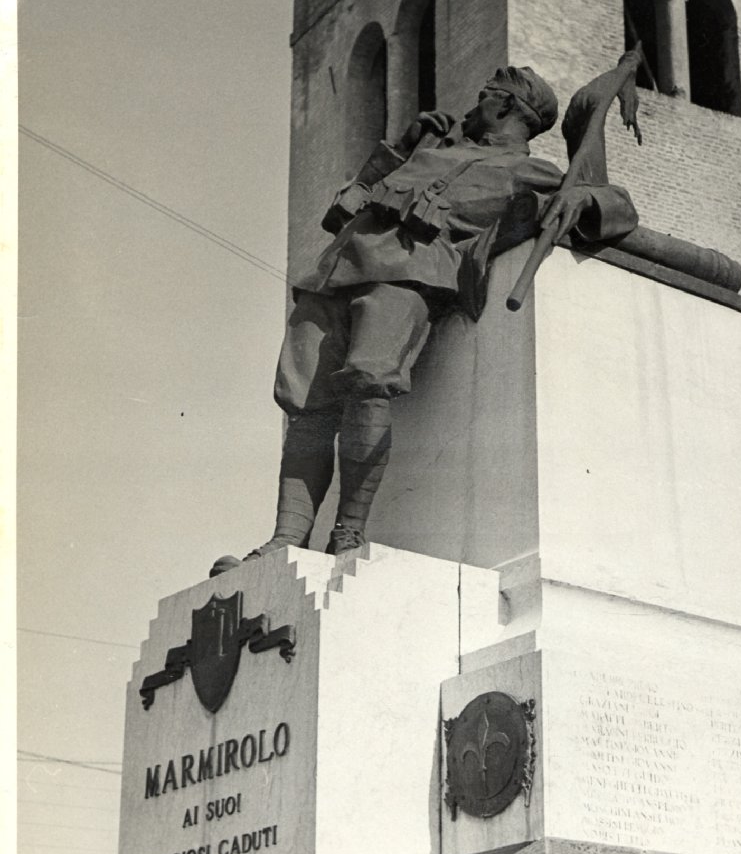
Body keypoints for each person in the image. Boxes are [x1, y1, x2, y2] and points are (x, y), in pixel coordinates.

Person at [239, 64, 638, 562]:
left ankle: (348, 531)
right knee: (306, 406)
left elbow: (615, 207)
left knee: (368, 383)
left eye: (484, 96)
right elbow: (342, 210)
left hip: (410, 274)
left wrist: (586, 199)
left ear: (507, 107)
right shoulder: (427, 150)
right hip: (336, 272)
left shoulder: (526, 171)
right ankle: (287, 539)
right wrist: (399, 149)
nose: (472, 106)